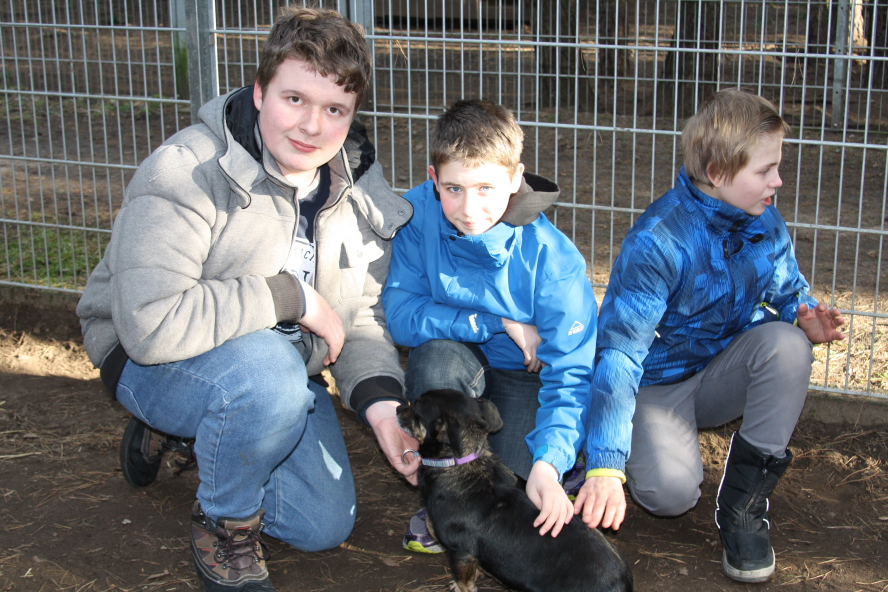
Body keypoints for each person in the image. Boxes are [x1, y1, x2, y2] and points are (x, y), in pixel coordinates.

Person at [75, 8, 420, 592]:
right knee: (267, 376)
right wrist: (290, 296)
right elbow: (149, 325)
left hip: (277, 372)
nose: (311, 126)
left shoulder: (356, 182)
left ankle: (202, 432)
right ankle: (225, 523)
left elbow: (360, 313)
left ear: (354, 113)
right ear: (260, 92)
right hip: (149, 358)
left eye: (335, 109)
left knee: (320, 525)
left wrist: (383, 408)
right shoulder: (186, 170)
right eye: (294, 99)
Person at [574, 88, 846, 583]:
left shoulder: (765, 219)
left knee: (788, 347)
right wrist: (606, 465)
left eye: (777, 167)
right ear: (718, 174)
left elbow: (787, 288)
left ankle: (743, 507)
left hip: (720, 371)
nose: (778, 181)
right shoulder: (659, 241)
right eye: (765, 170)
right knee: (671, 495)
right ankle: (631, 444)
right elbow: (619, 353)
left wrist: (803, 316)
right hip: (656, 387)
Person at [382, 99, 598, 552]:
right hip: (460, 356)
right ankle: (445, 496)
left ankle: (562, 463)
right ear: (433, 177)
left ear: (515, 178)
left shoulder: (552, 258)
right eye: (453, 188)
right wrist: (494, 322)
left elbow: (571, 373)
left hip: (525, 376)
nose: (469, 208)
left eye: (486, 188)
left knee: (516, 490)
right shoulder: (417, 215)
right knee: (433, 359)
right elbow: (402, 316)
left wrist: (548, 463)